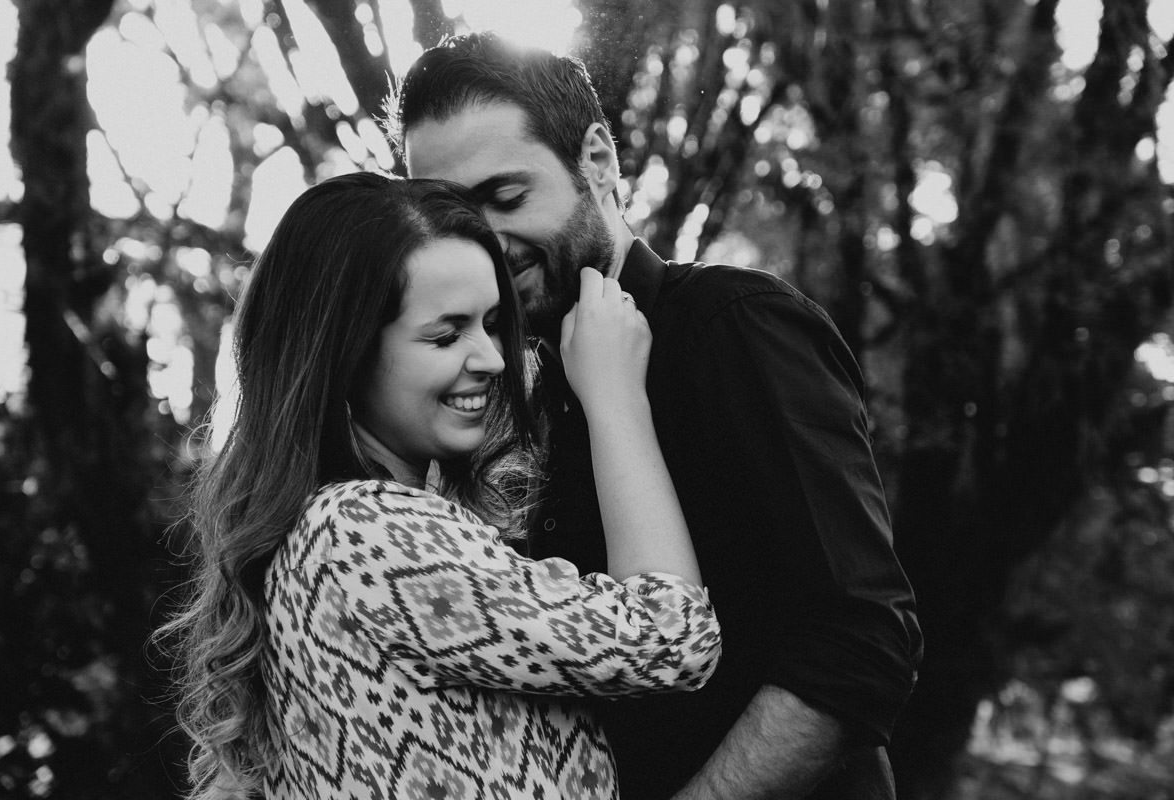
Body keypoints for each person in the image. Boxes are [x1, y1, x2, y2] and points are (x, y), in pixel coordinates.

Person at [390, 33, 924, 800]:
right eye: (450, 213)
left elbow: (860, 642)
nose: (483, 241)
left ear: (598, 161)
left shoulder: (734, 327)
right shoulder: (507, 394)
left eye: (506, 198)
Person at [160, 172, 722, 800]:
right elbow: (671, 637)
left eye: (489, 323)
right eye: (447, 334)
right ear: (345, 352)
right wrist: (616, 397)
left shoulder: (315, 535)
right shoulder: (366, 532)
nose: (493, 358)